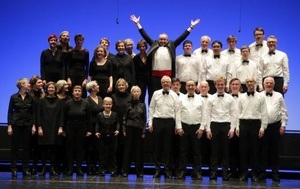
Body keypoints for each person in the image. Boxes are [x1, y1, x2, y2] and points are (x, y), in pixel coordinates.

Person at [130, 14, 200, 100]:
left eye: (164, 39)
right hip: (154, 77)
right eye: (161, 39)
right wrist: (138, 24)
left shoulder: (172, 46)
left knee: (168, 96)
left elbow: (181, 37)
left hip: (168, 76)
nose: (163, 41)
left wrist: (191, 27)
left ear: (167, 40)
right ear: (158, 39)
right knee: (153, 97)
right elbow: (145, 36)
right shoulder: (153, 45)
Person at [148, 76, 182, 179]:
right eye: (164, 82)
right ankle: (157, 169)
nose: (166, 84)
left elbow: (177, 111)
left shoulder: (174, 95)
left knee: (168, 147)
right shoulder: (156, 93)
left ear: (170, 83)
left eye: (167, 82)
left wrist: (178, 126)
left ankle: (167, 170)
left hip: (169, 122)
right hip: (157, 121)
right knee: (157, 147)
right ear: (161, 83)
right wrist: (150, 123)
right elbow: (151, 108)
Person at [236, 77, 268, 182]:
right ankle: (244, 173)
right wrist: (237, 126)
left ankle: (254, 173)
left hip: (256, 124)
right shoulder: (241, 97)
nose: (250, 83)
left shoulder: (261, 97)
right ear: (245, 84)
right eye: (248, 82)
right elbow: (237, 113)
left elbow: (264, 113)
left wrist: (263, 128)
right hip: (243, 124)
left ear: (255, 83)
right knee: (243, 150)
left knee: (255, 150)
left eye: (251, 82)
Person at [206, 77, 236, 181]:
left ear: (225, 85)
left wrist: (232, 129)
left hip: (226, 124)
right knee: (214, 151)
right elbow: (207, 114)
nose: (220, 86)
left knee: (225, 150)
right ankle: (213, 172)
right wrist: (208, 129)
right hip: (214, 124)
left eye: (222, 84)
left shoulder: (230, 98)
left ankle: (224, 172)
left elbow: (233, 114)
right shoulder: (211, 98)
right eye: (218, 84)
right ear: (215, 85)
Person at [259, 77, 288, 181]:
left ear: (274, 84)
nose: (269, 84)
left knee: (275, 151)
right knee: (262, 151)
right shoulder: (259, 95)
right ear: (263, 84)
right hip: (262, 126)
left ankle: (275, 173)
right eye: (267, 83)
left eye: (271, 83)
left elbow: (284, 111)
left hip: (275, 126)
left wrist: (283, 124)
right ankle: (262, 173)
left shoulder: (279, 95)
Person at [176, 79, 206, 180]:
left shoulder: (201, 99)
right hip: (184, 127)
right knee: (183, 151)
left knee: (197, 151)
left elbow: (204, 115)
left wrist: (202, 128)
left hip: (196, 128)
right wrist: (179, 127)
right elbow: (177, 114)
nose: (190, 87)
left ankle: (197, 172)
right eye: (188, 85)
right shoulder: (180, 99)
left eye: (192, 85)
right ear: (185, 87)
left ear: (195, 86)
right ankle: (182, 171)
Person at [7, 78, 36, 177]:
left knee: (26, 148)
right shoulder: (14, 97)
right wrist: (9, 126)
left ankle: (25, 169)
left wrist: (33, 125)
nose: (29, 84)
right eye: (27, 83)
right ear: (22, 85)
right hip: (16, 124)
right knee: (15, 148)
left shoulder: (30, 98)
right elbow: (10, 112)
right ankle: (14, 169)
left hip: (27, 124)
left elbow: (33, 113)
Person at [63, 85, 92, 176]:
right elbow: (63, 117)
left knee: (80, 149)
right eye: (75, 90)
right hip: (69, 127)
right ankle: (70, 168)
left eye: (79, 91)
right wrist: (63, 129)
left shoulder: (86, 103)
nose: (77, 92)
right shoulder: (67, 103)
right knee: (70, 148)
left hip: (82, 128)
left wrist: (89, 130)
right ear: (72, 92)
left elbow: (89, 118)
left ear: (81, 92)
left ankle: (79, 168)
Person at [37, 82, 64, 176]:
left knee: (54, 149)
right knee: (44, 149)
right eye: (49, 88)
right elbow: (38, 115)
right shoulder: (42, 101)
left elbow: (61, 115)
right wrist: (39, 127)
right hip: (44, 127)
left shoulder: (59, 101)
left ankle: (52, 168)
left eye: (53, 87)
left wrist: (61, 127)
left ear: (55, 89)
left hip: (55, 127)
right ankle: (44, 168)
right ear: (46, 89)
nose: (51, 89)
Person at [122, 86, 147, 177]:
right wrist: (124, 129)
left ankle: (139, 171)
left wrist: (144, 131)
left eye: (138, 91)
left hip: (139, 129)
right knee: (128, 150)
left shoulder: (143, 105)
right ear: (132, 93)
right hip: (129, 128)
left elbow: (145, 119)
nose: (136, 93)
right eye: (134, 91)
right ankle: (125, 171)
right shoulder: (127, 104)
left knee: (139, 151)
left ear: (140, 93)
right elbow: (124, 117)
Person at [111, 78, 132, 174]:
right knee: (116, 148)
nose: (121, 87)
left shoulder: (130, 97)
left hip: (127, 125)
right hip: (115, 125)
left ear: (126, 86)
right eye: (119, 85)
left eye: (123, 85)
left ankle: (125, 169)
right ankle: (116, 168)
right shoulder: (113, 96)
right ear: (117, 86)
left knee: (126, 148)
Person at [95, 97, 120, 177]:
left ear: (112, 105)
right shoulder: (99, 115)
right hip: (102, 137)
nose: (108, 106)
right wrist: (96, 131)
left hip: (113, 137)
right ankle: (102, 169)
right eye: (106, 104)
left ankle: (113, 170)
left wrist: (117, 130)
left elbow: (118, 123)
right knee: (102, 154)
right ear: (103, 105)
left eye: (109, 104)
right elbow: (97, 124)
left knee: (112, 154)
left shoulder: (115, 114)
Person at [85, 81, 103, 175]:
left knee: (97, 148)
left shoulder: (100, 98)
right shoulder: (87, 100)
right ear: (92, 88)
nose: (99, 86)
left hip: (99, 126)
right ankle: (89, 167)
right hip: (91, 127)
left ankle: (96, 166)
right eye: (97, 85)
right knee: (90, 148)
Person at [29, 75, 45, 175]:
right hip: (32, 123)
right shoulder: (30, 96)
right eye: (39, 82)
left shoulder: (43, 96)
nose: (41, 84)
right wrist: (33, 125)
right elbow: (31, 112)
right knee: (33, 146)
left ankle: (41, 167)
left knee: (40, 147)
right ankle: (33, 167)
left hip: (42, 123)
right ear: (34, 84)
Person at [54, 79, 71, 174]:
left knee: (65, 148)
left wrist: (64, 128)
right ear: (61, 87)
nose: (68, 86)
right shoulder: (55, 98)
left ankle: (65, 167)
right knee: (56, 147)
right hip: (54, 125)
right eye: (65, 85)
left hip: (66, 125)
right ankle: (56, 167)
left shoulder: (68, 98)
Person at [67, 33, 89, 98]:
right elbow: (68, 65)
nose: (79, 41)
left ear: (82, 41)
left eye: (80, 40)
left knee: (82, 93)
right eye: (77, 40)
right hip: (72, 75)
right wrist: (68, 78)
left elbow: (87, 66)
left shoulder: (86, 52)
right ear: (75, 41)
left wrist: (85, 79)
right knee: (71, 93)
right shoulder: (71, 51)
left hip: (81, 75)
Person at [228, 78, 242, 178]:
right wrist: (232, 128)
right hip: (229, 127)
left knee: (242, 151)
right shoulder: (226, 97)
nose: (235, 86)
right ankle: (232, 171)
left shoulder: (245, 97)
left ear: (240, 86)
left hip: (241, 127)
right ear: (230, 86)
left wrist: (238, 126)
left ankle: (242, 172)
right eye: (233, 84)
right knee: (231, 150)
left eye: (237, 84)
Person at [133, 39, 150, 103]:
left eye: (143, 46)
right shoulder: (136, 58)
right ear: (138, 47)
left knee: (151, 96)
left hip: (149, 80)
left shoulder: (149, 56)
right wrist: (135, 83)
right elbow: (135, 71)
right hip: (140, 81)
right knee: (141, 97)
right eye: (140, 47)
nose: (142, 48)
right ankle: (142, 112)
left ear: (146, 47)